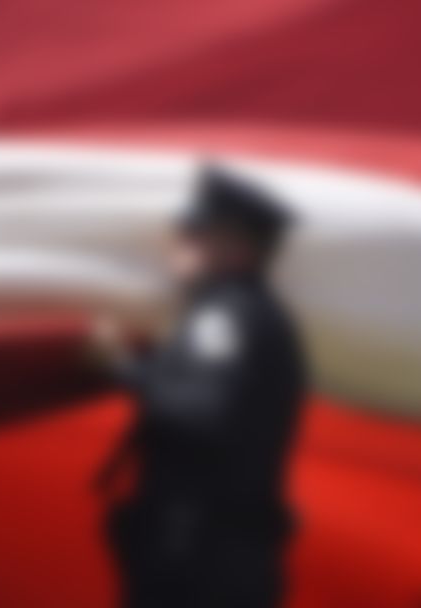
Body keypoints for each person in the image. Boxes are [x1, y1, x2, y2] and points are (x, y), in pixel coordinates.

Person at [92, 163, 308, 608]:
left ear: (236, 247)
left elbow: (200, 410)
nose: (178, 243)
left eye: (193, 232)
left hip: (199, 562)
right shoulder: (253, 314)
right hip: (217, 557)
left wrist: (120, 365)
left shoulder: (226, 314)